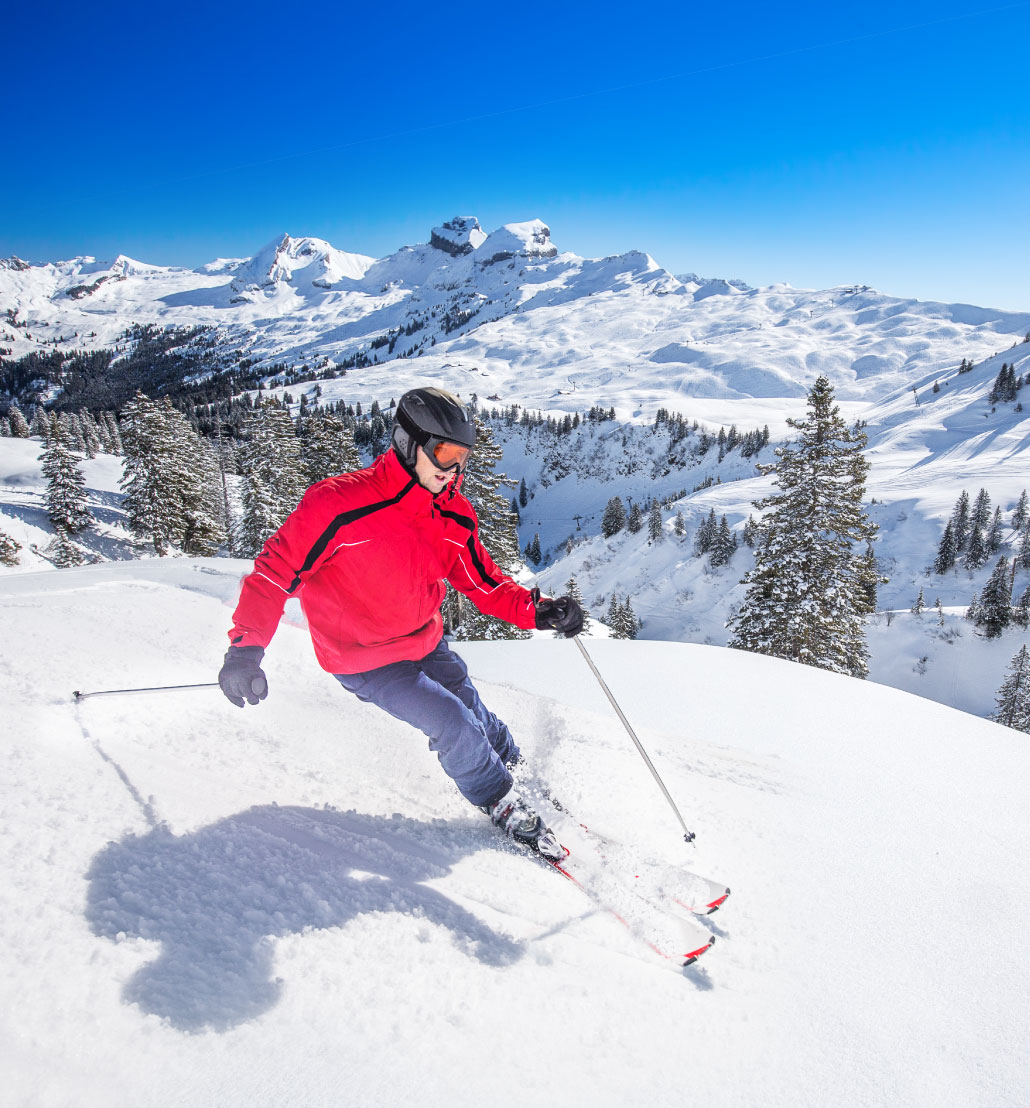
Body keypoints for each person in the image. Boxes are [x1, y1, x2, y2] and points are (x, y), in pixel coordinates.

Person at [218, 387, 583, 859]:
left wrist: (540, 610)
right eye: (445, 453)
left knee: (475, 712)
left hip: (425, 642)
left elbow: (485, 585)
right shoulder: (339, 505)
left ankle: (516, 769)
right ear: (409, 443)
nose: (453, 469)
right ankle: (500, 798)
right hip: (364, 659)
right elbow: (273, 575)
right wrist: (245, 650)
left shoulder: (453, 515)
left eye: (462, 457)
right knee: (452, 722)